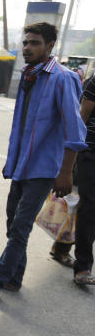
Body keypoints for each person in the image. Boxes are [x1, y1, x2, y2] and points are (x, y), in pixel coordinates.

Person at [0, 22, 88, 305]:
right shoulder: (30, 76)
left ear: (50, 46)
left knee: (20, 226)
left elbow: (75, 131)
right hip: (22, 165)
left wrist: (64, 173)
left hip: (45, 168)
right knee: (13, 222)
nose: (27, 48)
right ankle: (13, 277)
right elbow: (21, 128)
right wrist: (11, 162)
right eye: (26, 43)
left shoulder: (63, 78)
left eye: (34, 43)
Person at [72, 76, 95, 285]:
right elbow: (83, 116)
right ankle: (83, 266)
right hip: (91, 151)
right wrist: (71, 157)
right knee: (90, 206)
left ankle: (62, 244)